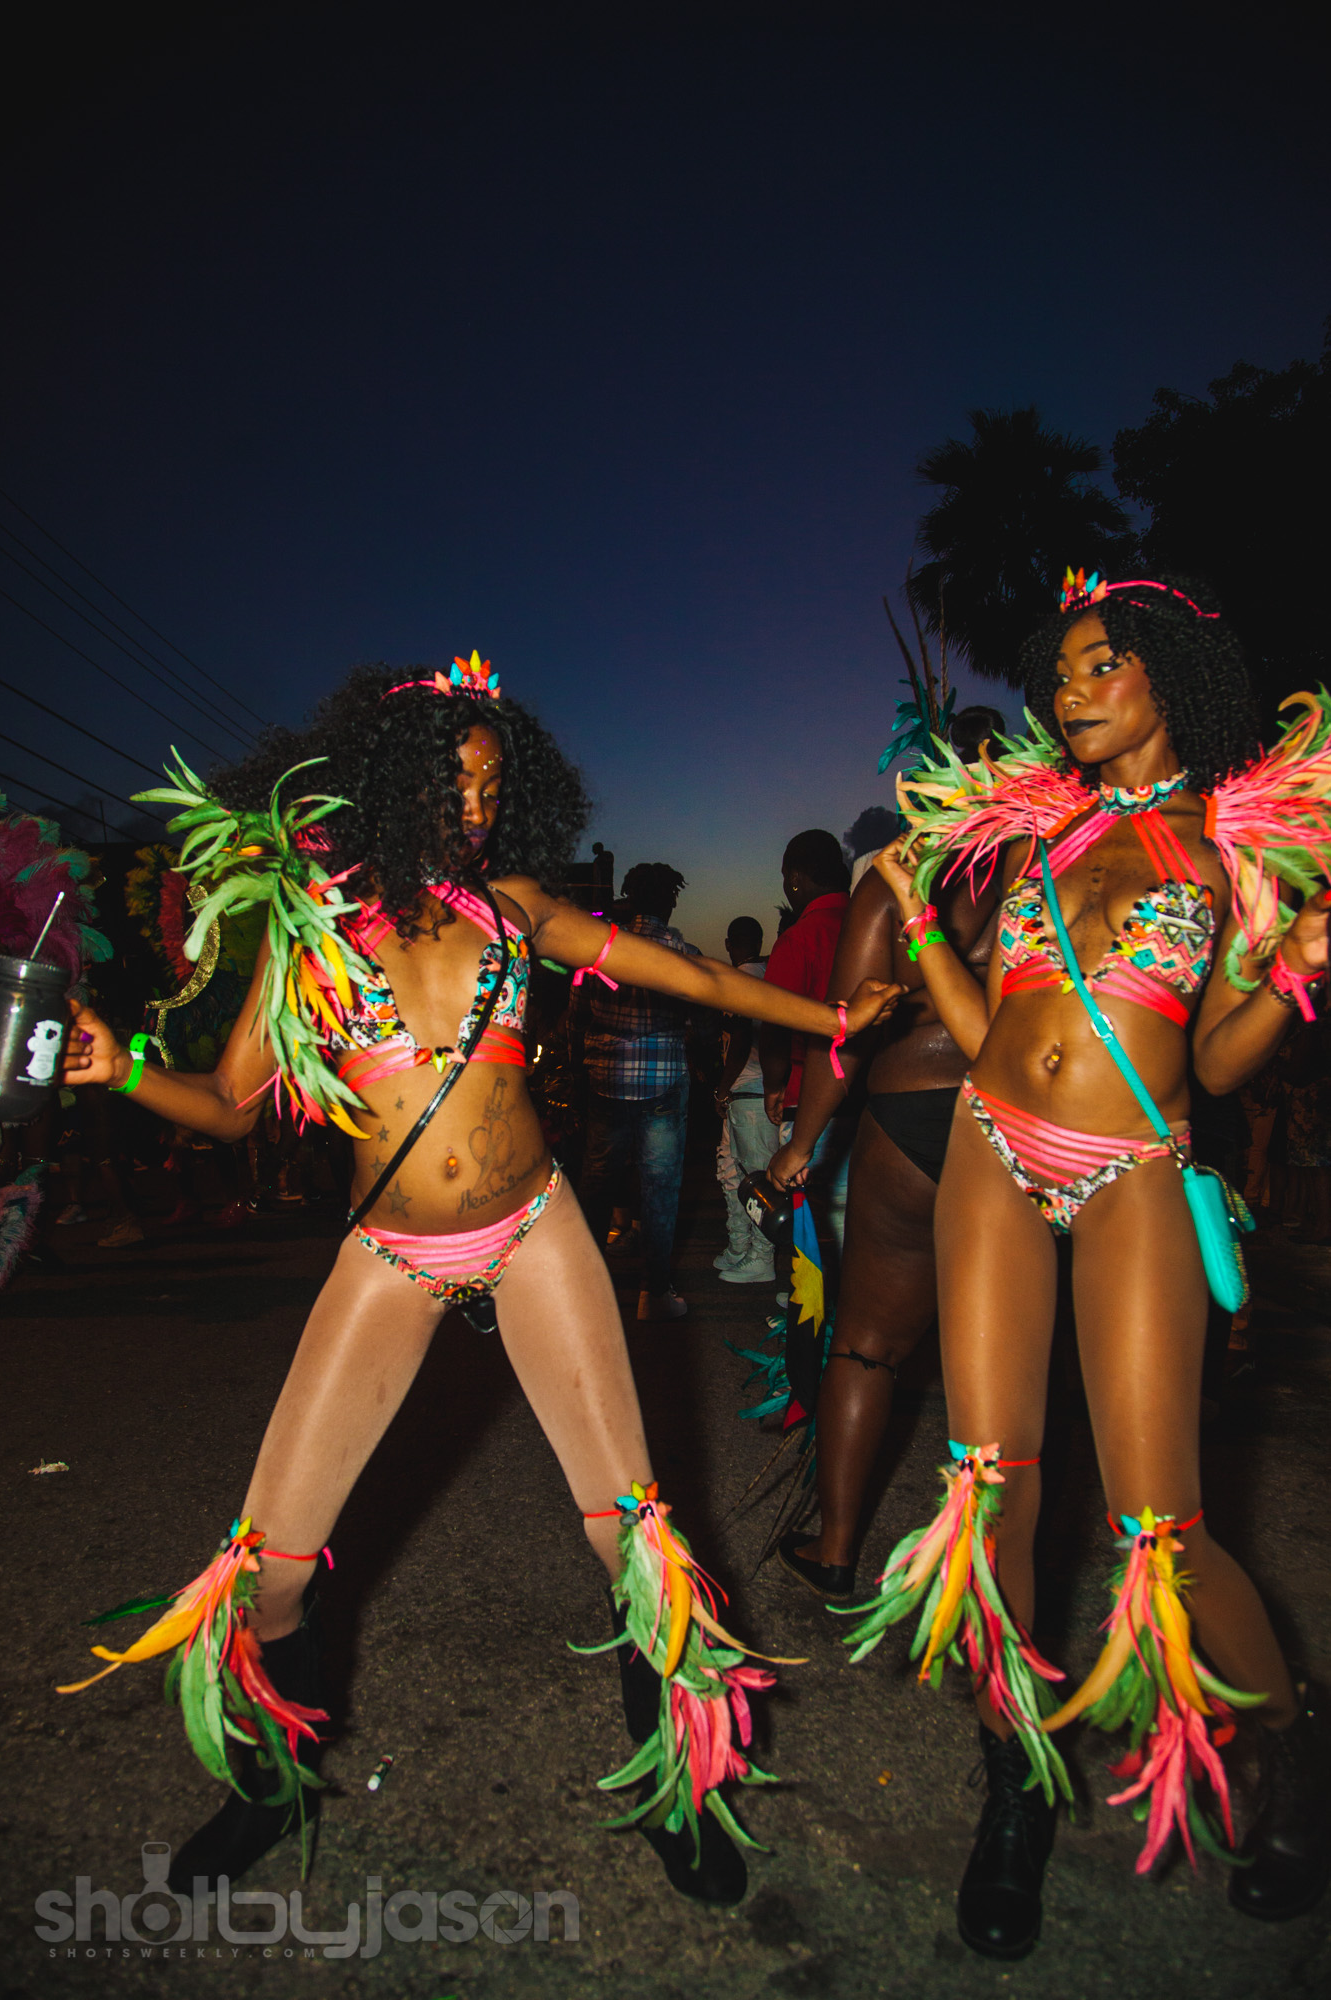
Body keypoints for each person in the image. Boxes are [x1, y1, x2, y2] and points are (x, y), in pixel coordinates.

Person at [55, 653, 895, 1907]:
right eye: (455, 780)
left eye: (496, 785)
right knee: (270, 1567)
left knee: (632, 1534)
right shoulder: (314, 918)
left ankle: (677, 1787)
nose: (479, 804)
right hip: (389, 1252)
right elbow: (231, 1104)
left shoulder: (516, 906)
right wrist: (115, 1067)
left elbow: (692, 977)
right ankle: (270, 1788)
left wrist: (830, 1020)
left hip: (533, 1227)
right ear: (391, 779)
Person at [860, 572, 1331, 1959]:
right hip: (990, 1147)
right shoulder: (1039, 836)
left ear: (1167, 677)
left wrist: (1295, 966)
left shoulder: (1235, 845)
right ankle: (1014, 1784)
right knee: (989, 1490)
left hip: (1134, 1163)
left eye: (1099, 663)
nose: (1069, 690)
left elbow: (1222, 1061)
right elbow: (985, 1026)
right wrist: (922, 924)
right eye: (1059, 671)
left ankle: (1294, 1747)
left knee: (1159, 1526)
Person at [769, 708, 1005, 1600]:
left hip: (909, 1116)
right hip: (1010, 1122)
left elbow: (845, 1034)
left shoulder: (895, 878)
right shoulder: (1043, 868)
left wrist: (799, 1145)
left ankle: (836, 1549)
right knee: (1014, 1351)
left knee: (867, 1343)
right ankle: (997, 1574)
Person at [574, 861, 700, 1320]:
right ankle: (654, 1293)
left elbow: (577, 1015)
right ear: (670, 902)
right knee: (660, 1190)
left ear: (630, 898)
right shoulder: (683, 953)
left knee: (596, 1184)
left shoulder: (600, 949)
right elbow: (699, 1019)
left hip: (606, 1080)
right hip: (663, 1081)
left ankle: (584, 1289)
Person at [759, 830, 854, 1255]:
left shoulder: (800, 938)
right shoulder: (873, 925)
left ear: (795, 878)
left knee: (815, 1226)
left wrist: (774, 1084)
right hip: (874, 1101)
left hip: (810, 1098)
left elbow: (775, 1023)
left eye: (785, 877)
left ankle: (820, 1297)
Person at [713, 916, 778, 1283]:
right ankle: (741, 1246)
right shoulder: (771, 974)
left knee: (753, 1178)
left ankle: (761, 1257)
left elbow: (740, 1040)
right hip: (755, 1091)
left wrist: (721, 1088)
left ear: (728, 943)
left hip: (748, 1090)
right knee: (733, 1171)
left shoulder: (739, 979)